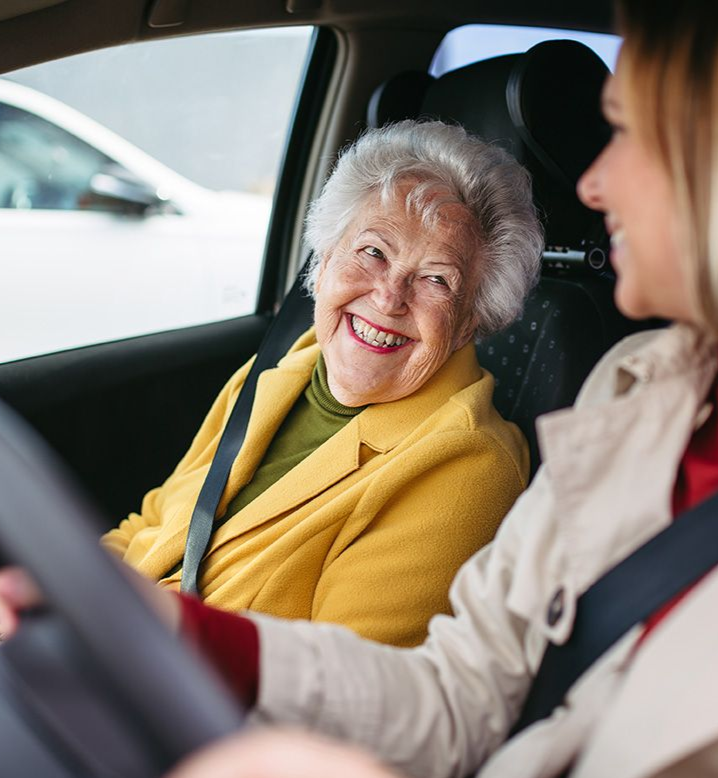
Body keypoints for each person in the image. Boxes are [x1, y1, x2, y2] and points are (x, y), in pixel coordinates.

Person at [3, 0, 718, 778]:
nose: (593, 183)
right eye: (371, 253)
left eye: (627, 134)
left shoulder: (470, 460)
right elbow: (457, 698)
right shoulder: (636, 395)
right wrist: (143, 620)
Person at [101, 119, 538, 647]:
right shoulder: (282, 370)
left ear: (470, 322)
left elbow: (345, 681)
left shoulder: (467, 466)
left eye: (435, 279)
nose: (389, 297)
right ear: (326, 256)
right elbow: (153, 525)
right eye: (373, 252)